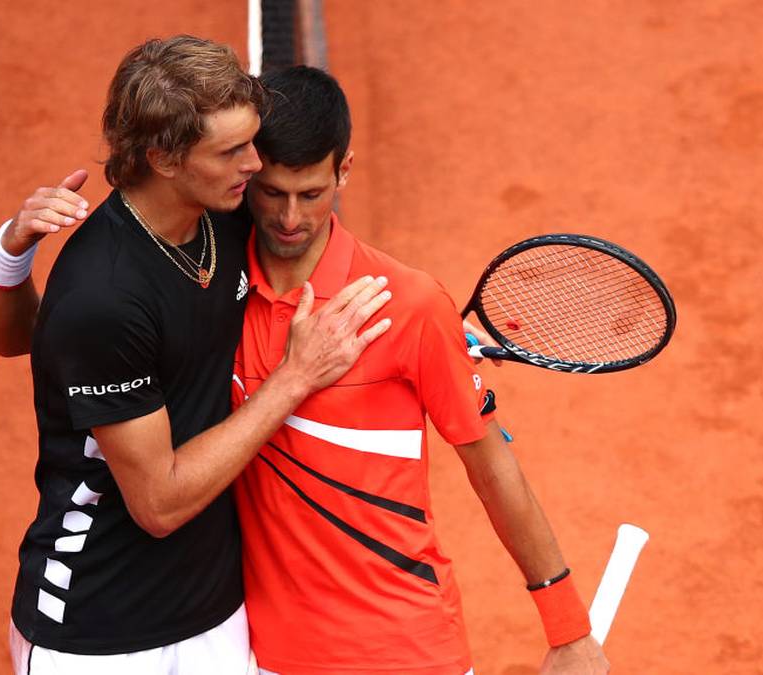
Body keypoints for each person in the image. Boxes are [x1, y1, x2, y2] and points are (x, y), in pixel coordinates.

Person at [0, 37, 392, 675]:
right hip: (97, 630)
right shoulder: (104, 293)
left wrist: (424, 330)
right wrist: (293, 380)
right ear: (163, 158)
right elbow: (160, 503)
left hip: (215, 613)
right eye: (231, 151)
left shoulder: (223, 214)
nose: (256, 164)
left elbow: (315, 263)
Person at [231, 66, 609, 675]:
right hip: (266, 653)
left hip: (403, 649)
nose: (291, 219)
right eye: (272, 193)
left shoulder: (408, 306)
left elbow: (491, 465)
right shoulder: (211, 286)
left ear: (345, 171)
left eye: (313, 193)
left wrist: (567, 628)